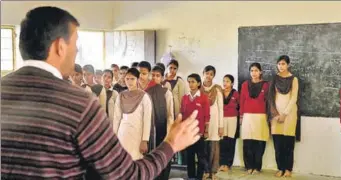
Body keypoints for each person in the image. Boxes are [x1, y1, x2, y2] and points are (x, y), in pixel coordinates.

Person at [1, 6, 200, 179]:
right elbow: (126, 175)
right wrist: (171, 144)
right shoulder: (78, 103)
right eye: (75, 43)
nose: (77, 51)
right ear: (60, 47)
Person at [268, 55, 299, 178]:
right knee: (278, 143)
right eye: (279, 64)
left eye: (283, 64)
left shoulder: (293, 79)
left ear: (288, 65)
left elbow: (294, 98)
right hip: (276, 115)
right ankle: (280, 168)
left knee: (288, 143)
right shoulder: (274, 79)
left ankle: (288, 169)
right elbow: (270, 98)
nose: (281, 66)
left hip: (289, 114)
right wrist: (275, 114)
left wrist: (285, 114)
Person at [113, 68, 152, 160]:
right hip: (122, 133)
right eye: (127, 79)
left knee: (136, 161)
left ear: (138, 80)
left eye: (132, 79)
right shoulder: (121, 96)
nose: (129, 82)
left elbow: (147, 119)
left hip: (137, 134)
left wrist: (144, 140)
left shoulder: (144, 96)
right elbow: (117, 118)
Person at [239, 63, 269, 175]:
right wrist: (241, 115)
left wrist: (268, 117)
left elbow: (268, 102)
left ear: (260, 72)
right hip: (247, 116)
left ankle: (257, 167)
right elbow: (242, 101)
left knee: (259, 142)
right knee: (247, 142)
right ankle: (249, 166)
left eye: (256, 70)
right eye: (252, 70)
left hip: (261, 117)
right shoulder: (245, 84)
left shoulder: (266, 85)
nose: (254, 73)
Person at [181, 73, 210, 180]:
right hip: (188, 132)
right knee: (190, 155)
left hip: (199, 132)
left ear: (198, 83)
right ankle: (191, 176)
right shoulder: (184, 98)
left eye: (193, 82)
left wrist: (206, 131)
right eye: (189, 82)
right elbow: (182, 114)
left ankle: (199, 176)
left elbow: (207, 116)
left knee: (201, 156)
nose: (191, 84)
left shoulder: (203, 98)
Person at [151, 65, 175, 180]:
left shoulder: (167, 92)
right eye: (153, 75)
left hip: (163, 128)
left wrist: (169, 133)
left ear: (161, 78)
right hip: (151, 130)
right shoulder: (146, 92)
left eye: (157, 76)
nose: (155, 78)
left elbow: (170, 115)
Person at [201, 65, 224, 180]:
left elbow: (221, 108)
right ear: (203, 73)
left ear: (213, 76)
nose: (209, 76)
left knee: (214, 148)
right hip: (202, 123)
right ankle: (205, 171)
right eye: (207, 73)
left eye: (211, 74)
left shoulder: (217, 89)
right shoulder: (198, 88)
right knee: (203, 147)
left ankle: (213, 172)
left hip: (215, 122)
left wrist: (221, 126)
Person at [164, 59, 187, 165]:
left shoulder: (180, 81)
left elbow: (183, 99)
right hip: (165, 112)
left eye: (175, 68)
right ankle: (167, 158)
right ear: (167, 67)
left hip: (177, 113)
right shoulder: (162, 80)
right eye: (170, 68)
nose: (172, 70)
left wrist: (181, 114)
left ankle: (179, 160)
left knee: (177, 135)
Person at [219, 74, 239, 172]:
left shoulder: (235, 93)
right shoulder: (219, 92)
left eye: (227, 81)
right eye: (224, 81)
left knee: (230, 141)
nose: (225, 83)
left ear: (232, 83)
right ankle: (222, 163)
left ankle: (228, 164)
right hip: (222, 119)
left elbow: (239, 107)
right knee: (222, 141)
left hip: (232, 119)